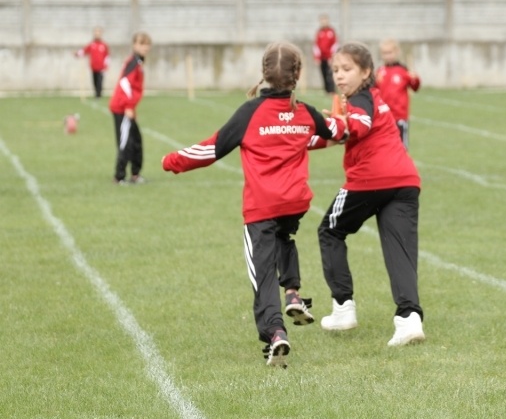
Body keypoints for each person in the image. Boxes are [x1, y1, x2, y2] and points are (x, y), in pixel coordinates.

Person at [161, 42, 347, 368]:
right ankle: (292, 292)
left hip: (263, 206)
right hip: (295, 202)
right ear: (298, 75)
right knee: (284, 238)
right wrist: (344, 120)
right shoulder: (304, 112)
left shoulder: (250, 113)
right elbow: (331, 132)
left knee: (262, 274)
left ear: (263, 74)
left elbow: (213, 149)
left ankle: (275, 332)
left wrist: (172, 160)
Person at [313, 41, 425, 347]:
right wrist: (313, 136)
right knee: (399, 249)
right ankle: (409, 319)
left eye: (347, 69)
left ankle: (343, 308)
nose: (339, 76)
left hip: (371, 180)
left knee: (329, 231)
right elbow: (343, 132)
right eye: (335, 69)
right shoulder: (370, 96)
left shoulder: (361, 98)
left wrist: (332, 126)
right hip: (405, 181)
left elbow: (357, 127)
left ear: (366, 71)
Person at [109, 32, 151, 185]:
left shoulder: (138, 62)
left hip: (128, 108)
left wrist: (133, 109)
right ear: (134, 45)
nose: (145, 47)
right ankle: (119, 177)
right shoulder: (133, 62)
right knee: (125, 142)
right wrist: (128, 107)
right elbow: (125, 83)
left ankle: (135, 174)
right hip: (121, 108)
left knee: (136, 141)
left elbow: (134, 88)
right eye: (142, 44)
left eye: (147, 44)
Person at [376, 39, 421, 149]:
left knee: (401, 147)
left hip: (399, 116)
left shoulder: (403, 71)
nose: (387, 56)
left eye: (390, 52)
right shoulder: (380, 71)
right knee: (385, 147)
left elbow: (414, 87)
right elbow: (375, 91)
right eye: (385, 53)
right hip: (384, 117)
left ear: (396, 52)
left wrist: (415, 79)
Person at [75, 27, 110, 98]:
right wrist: (77, 54)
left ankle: (98, 95)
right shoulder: (91, 44)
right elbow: (84, 51)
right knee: (94, 81)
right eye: (96, 33)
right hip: (93, 67)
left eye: (98, 33)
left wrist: (106, 65)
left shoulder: (104, 45)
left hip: (101, 67)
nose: (97, 34)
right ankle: (96, 93)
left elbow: (107, 56)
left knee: (100, 81)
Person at [313, 14, 338, 96]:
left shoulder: (331, 31)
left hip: (329, 57)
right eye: (322, 21)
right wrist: (317, 57)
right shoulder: (319, 32)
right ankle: (326, 90)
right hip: (322, 57)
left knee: (330, 74)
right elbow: (316, 45)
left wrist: (332, 56)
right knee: (323, 73)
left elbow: (335, 45)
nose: (324, 22)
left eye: (325, 20)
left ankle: (332, 90)